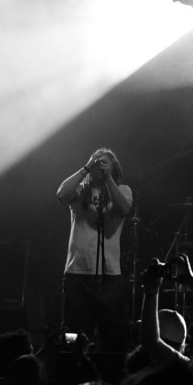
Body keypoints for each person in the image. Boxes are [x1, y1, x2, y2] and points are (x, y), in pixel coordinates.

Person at [56, 148, 133, 352]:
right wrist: (86, 168)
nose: (100, 165)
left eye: (105, 162)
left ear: (114, 167)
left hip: (109, 276)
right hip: (76, 274)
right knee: (73, 335)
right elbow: (61, 194)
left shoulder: (123, 190)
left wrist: (108, 178)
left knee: (113, 335)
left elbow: (124, 209)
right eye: (97, 162)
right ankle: (73, 371)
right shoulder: (80, 189)